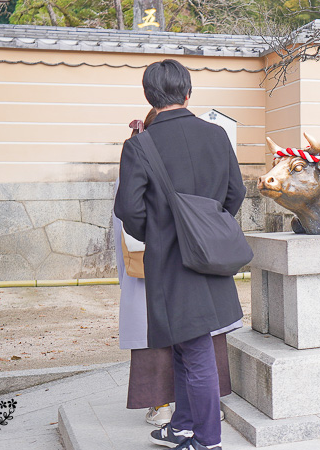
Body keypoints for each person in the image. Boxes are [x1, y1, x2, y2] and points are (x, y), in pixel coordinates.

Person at [115, 59, 246, 450]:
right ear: (188, 93)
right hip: (211, 255)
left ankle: (207, 440)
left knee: (193, 346)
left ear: (149, 98)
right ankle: (185, 425)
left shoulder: (140, 145)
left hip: (171, 261)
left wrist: (158, 235)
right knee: (187, 340)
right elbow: (235, 193)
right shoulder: (217, 136)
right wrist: (208, 227)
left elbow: (129, 209)